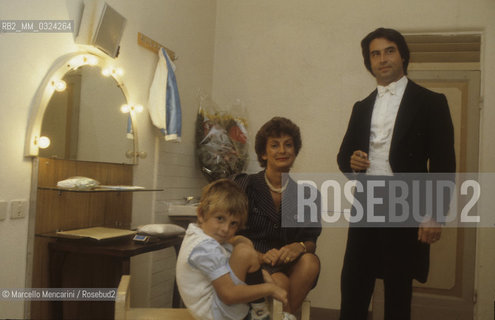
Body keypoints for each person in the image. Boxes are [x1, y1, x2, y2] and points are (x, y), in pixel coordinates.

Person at [337, 27, 456, 319]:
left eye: (389, 50)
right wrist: (352, 162)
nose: (382, 59)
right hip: (366, 205)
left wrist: (434, 214)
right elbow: (343, 157)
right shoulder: (361, 107)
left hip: (406, 205)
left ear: (402, 55)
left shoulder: (431, 102)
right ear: (369, 62)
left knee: (398, 290)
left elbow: (443, 164)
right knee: (353, 284)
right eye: (374, 54)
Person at [234, 117, 322, 320]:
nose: (282, 150)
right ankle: (287, 316)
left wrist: (299, 246)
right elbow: (230, 236)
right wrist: (259, 256)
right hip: (252, 262)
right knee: (280, 282)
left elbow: (311, 241)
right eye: (275, 145)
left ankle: (284, 316)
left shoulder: (308, 195)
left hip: (287, 263)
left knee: (310, 261)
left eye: (288, 145)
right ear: (263, 154)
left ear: (295, 151)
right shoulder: (244, 185)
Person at [176, 179, 288, 320]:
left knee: (242, 242)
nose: (225, 229)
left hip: (212, 308)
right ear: (201, 214)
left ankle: (259, 311)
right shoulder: (204, 248)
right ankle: (260, 313)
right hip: (216, 313)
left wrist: (261, 274)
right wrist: (270, 289)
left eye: (233, 223)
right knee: (244, 252)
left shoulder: (200, 235)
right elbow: (228, 295)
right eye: (220, 218)